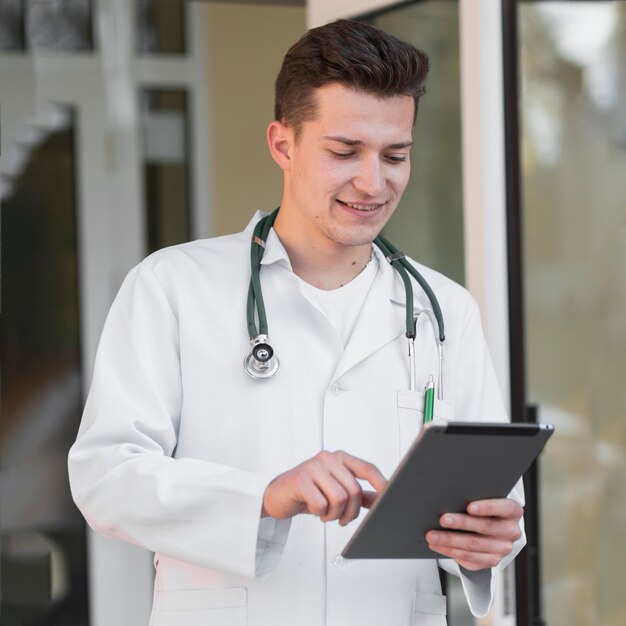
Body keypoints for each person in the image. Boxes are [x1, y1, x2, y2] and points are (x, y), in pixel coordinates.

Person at [69, 19, 524, 626]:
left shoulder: (446, 310)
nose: (374, 182)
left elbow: (493, 504)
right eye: (344, 152)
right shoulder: (172, 287)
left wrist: (489, 540)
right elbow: (106, 476)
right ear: (283, 144)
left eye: (395, 155)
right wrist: (262, 497)